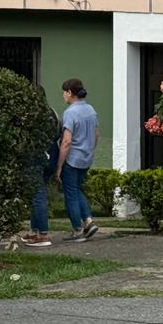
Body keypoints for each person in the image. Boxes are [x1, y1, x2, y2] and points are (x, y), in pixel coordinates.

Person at [55, 78, 99, 242]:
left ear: (69, 93)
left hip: (72, 159)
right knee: (76, 189)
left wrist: (59, 165)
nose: (63, 96)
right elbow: (96, 134)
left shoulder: (70, 113)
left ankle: (77, 229)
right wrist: (89, 150)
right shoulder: (90, 109)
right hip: (86, 158)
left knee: (71, 194)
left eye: (64, 92)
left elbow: (66, 141)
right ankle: (88, 221)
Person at [23, 97, 62, 248]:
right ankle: (35, 231)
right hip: (51, 154)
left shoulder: (31, 115)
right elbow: (58, 133)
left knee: (37, 195)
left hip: (36, 157)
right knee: (38, 193)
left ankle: (43, 234)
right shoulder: (51, 112)